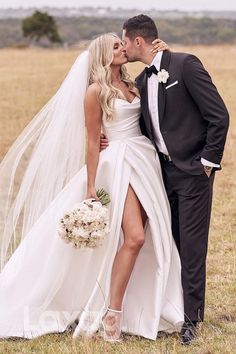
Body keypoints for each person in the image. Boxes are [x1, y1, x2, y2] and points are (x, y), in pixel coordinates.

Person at [0, 33, 184, 342]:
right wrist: (90, 187)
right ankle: (112, 315)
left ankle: (138, 306)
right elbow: (91, 140)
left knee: (147, 236)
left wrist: (164, 54)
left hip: (144, 162)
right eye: (115, 46)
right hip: (117, 166)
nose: (122, 48)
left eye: (121, 43)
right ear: (102, 55)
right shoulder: (95, 92)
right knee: (135, 237)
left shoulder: (132, 84)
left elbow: (158, 94)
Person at [101, 15, 229, 344]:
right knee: (167, 243)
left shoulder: (185, 65)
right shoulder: (141, 82)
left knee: (191, 245)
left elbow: (219, 115)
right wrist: (107, 138)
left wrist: (207, 162)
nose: (123, 46)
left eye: (125, 41)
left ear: (138, 42)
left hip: (192, 174)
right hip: (158, 174)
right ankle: (166, 307)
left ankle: (191, 319)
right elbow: (131, 119)